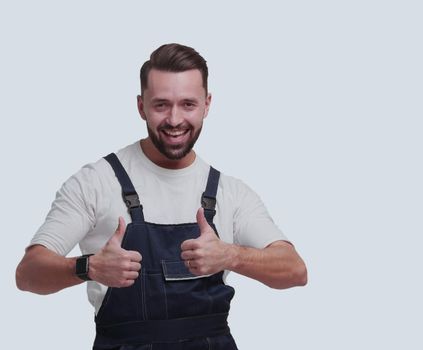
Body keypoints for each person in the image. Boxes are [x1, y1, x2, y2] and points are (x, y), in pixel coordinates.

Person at [16, 43, 307, 350]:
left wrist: (231, 255)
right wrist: (88, 267)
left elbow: (294, 270)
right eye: (161, 105)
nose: (174, 119)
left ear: (207, 104)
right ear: (141, 106)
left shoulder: (229, 192)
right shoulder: (95, 182)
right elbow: (29, 273)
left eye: (188, 104)